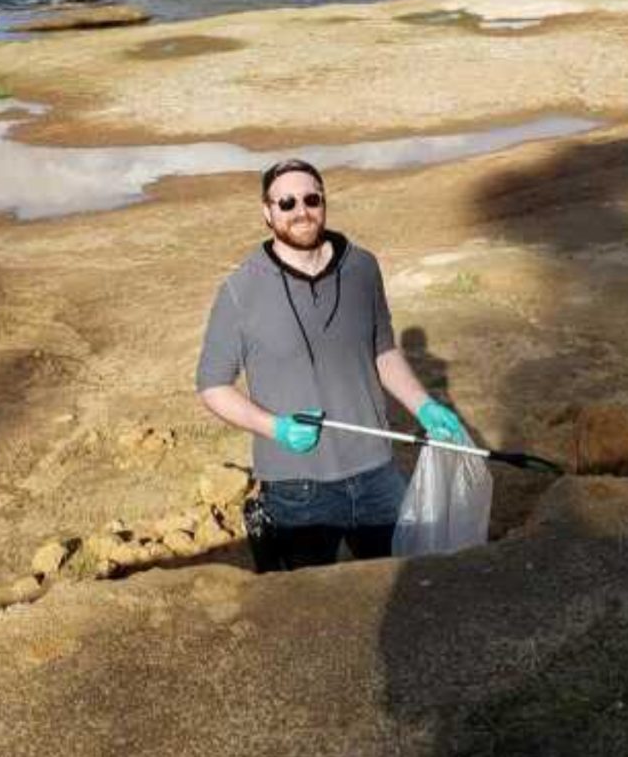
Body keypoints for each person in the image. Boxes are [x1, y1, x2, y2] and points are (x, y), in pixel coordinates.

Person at [196, 158, 464, 571]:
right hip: (296, 488)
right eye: (286, 203)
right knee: (308, 610)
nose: (301, 211)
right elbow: (213, 386)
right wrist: (276, 428)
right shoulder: (239, 290)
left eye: (311, 198)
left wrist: (424, 407)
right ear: (267, 212)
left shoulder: (362, 268)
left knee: (403, 585)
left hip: (376, 473)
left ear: (323, 202)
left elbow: (384, 352)